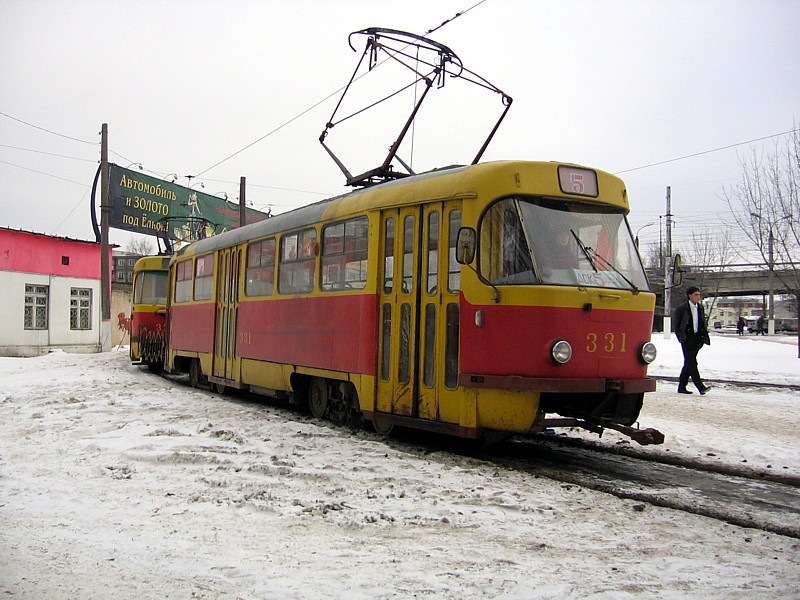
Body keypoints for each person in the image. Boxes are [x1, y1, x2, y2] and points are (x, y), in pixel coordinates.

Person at [673, 286, 711, 395]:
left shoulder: (700, 308)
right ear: (689, 296)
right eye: (696, 295)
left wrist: (703, 337)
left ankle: (681, 387)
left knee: (689, 363)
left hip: (697, 339)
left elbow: (702, 322)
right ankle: (700, 387)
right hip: (687, 338)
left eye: (699, 295)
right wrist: (681, 338)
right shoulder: (682, 309)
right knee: (692, 362)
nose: (698, 297)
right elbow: (677, 326)